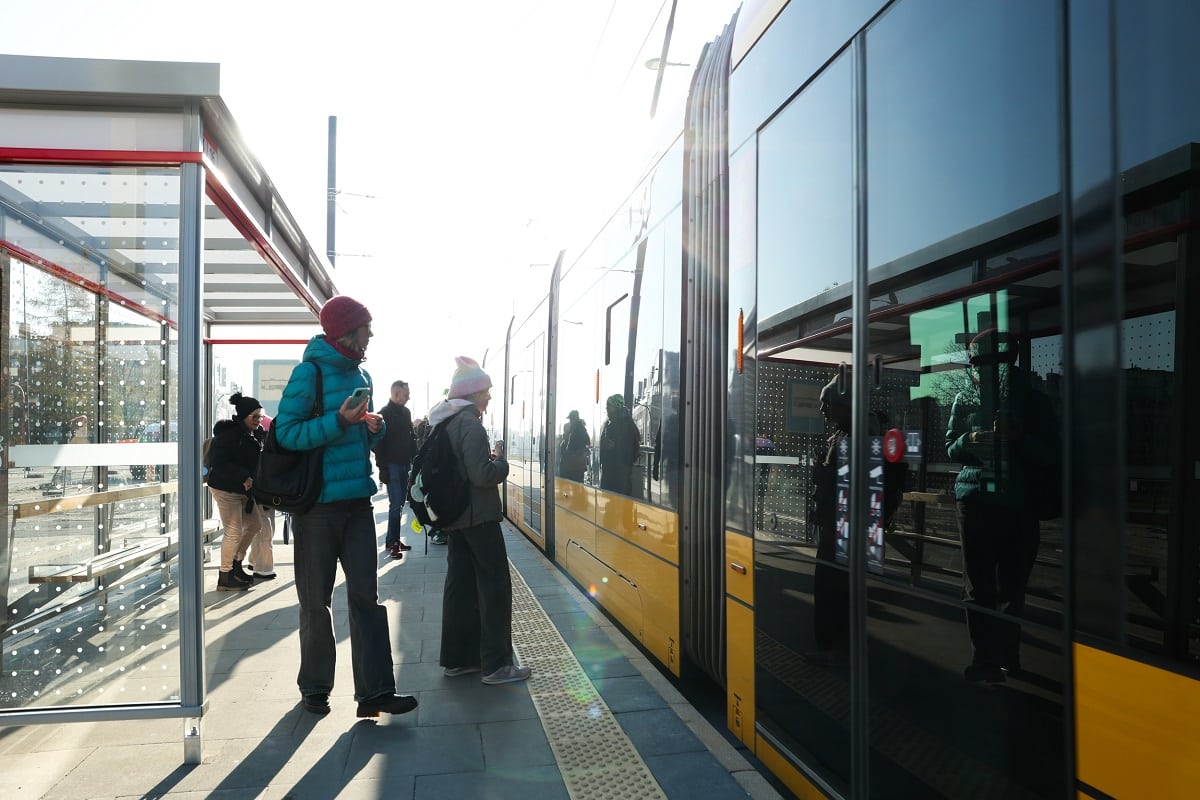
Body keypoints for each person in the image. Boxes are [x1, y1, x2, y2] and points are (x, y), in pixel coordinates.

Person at [273, 295, 417, 717]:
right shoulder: (309, 373)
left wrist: (372, 428)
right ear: (346, 331)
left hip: (356, 503)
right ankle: (315, 686)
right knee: (315, 601)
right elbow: (287, 434)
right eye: (365, 328)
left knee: (366, 599)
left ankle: (374, 692)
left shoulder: (363, 376)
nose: (370, 335)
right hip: (316, 508)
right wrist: (339, 421)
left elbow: (356, 441)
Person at [947, 328, 1057, 683]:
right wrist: (971, 439)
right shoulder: (968, 398)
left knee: (1001, 585)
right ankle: (993, 659)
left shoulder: (1032, 401)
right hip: (999, 501)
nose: (985, 369)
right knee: (990, 585)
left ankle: (993, 660)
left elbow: (1052, 454)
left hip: (1001, 500)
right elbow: (952, 447)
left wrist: (1019, 441)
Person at [432, 356, 530, 685]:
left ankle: (459, 659)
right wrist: (501, 464)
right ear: (473, 394)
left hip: (457, 517)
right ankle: (497, 665)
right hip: (478, 517)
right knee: (494, 587)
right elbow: (481, 475)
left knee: (459, 587)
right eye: (486, 391)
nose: (489, 397)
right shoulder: (470, 423)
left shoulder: (445, 421)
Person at [206, 393, 275, 590]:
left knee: (254, 524)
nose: (258, 421)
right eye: (254, 417)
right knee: (234, 531)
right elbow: (219, 464)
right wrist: (244, 476)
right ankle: (225, 575)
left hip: (243, 490)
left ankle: (236, 563)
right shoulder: (229, 436)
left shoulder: (255, 433)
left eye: (260, 417)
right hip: (224, 488)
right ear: (243, 416)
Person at [375, 380, 416, 559]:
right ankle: (392, 542)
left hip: (404, 465)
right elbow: (377, 444)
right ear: (396, 394)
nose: (408, 397)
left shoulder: (406, 413)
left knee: (399, 504)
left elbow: (411, 437)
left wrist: (415, 457)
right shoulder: (384, 414)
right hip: (391, 466)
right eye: (406, 395)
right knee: (396, 504)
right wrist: (382, 468)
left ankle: (394, 539)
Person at [598, 394, 640, 494]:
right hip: (612, 471)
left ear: (616, 407)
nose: (606, 408)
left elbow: (632, 451)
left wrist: (615, 446)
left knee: (619, 504)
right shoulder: (610, 424)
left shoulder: (627, 425)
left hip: (620, 474)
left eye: (609, 406)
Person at [558, 409, 590, 481]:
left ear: (575, 418)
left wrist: (582, 451)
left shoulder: (580, 430)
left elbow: (588, 444)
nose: (570, 421)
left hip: (575, 465)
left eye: (571, 419)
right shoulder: (573, 430)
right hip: (573, 464)